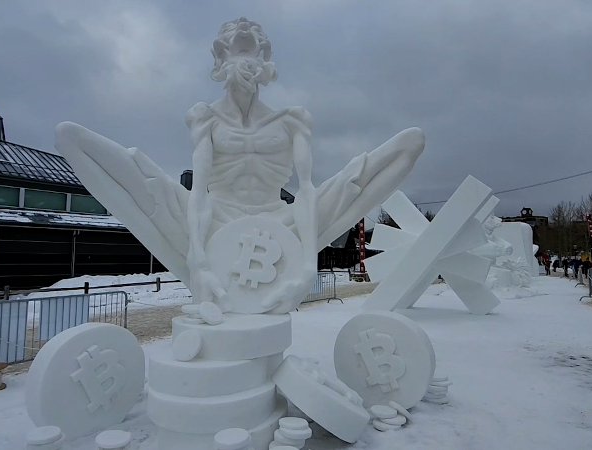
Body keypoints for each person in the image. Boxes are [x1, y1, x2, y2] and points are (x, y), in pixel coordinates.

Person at [54, 17, 427, 313]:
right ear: (220, 58)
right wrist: (198, 260)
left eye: (251, 51)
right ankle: (195, 253)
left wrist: (305, 265)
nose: (243, 61)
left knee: (400, 150)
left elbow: (309, 191)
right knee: (74, 138)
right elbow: (197, 191)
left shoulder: (292, 120)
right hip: (214, 219)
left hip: (282, 224)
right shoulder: (205, 118)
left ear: (265, 59)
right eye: (234, 50)